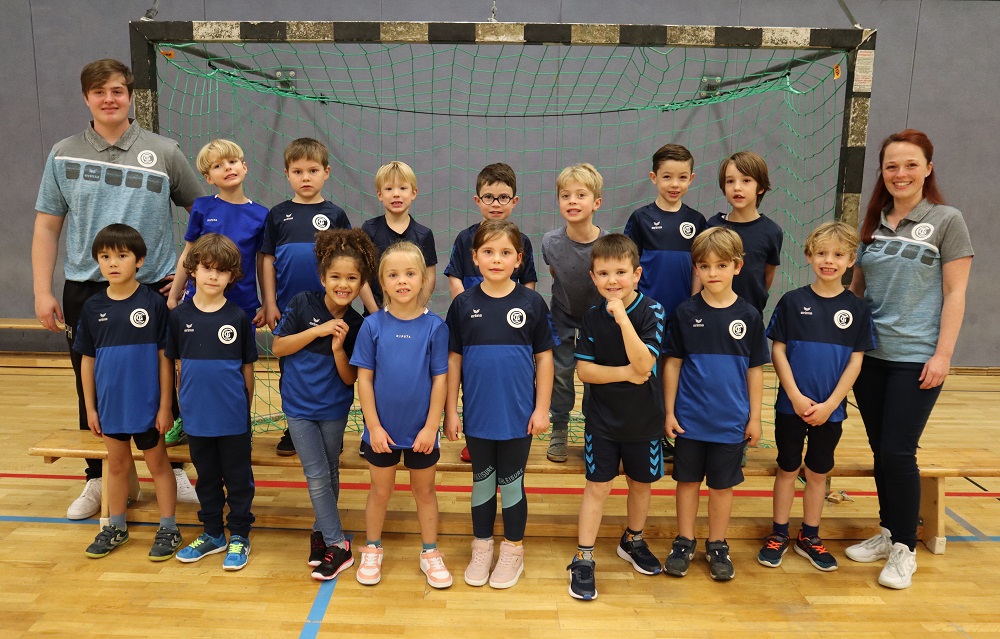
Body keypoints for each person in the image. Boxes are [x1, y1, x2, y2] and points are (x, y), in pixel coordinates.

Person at [32, 58, 203, 519]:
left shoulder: (164, 151)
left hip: (154, 289)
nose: (109, 99)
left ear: (130, 96)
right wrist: (43, 291)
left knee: (165, 379)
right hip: (88, 292)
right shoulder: (63, 153)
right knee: (91, 383)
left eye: (117, 91)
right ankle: (100, 477)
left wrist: (184, 274)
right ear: (86, 98)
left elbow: (203, 213)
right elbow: (47, 226)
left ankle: (174, 469)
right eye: (99, 91)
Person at [846, 129, 973, 590]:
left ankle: (905, 547)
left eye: (910, 165)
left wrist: (943, 355)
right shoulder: (873, 223)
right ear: (883, 172)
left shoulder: (946, 220)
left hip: (916, 358)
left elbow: (956, 293)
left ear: (928, 168)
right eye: (892, 166)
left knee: (899, 451)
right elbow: (857, 290)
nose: (900, 174)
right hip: (871, 356)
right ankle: (888, 531)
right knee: (882, 449)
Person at [758, 221, 875, 572]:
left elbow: (855, 362)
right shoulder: (793, 302)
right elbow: (778, 351)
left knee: (818, 473)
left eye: (838, 255)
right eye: (822, 253)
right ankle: (779, 533)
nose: (829, 261)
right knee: (787, 469)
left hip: (830, 411)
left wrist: (831, 404)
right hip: (790, 407)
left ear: (851, 260)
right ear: (809, 256)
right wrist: (794, 396)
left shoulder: (857, 309)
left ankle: (809, 536)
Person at [445, 219, 555, 590]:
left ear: (518, 259)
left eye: (505, 252)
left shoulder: (532, 303)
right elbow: (454, 361)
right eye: (488, 252)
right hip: (478, 415)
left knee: (511, 483)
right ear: (474, 258)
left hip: (518, 416)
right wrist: (450, 411)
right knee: (481, 482)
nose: (496, 259)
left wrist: (542, 408)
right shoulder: (463, 304)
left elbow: (544, 358)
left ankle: (513, 549)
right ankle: (482, 547)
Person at [663, 227, 768, 581]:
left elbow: (755, 371)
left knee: (722, 487)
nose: (713, 273)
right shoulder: (684, 312)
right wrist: (669, 411)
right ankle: (684, 541)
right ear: (696, 268)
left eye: (721, 265)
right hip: (690, 420)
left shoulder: (749, 316)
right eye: (705, 266)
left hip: (730, 422)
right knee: (687, 482)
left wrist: (755, 418)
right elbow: (673, 364)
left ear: (737, 266)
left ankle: (718, 544)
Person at [271, 229, 377, 581]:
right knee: (316, 474)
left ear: (361, 283)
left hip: (333, 407)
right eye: (336, 277)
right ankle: (337, 543)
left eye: (352, 278)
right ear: (323, 278)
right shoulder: (303, 303)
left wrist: (336, 348)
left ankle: (319, 532)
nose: (343, 284)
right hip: (298, 407)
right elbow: (278, 347)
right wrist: (317, 331)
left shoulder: (357, 324)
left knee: (330, 471)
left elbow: (349, 379)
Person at [566, 234, 665, 601]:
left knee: (641, 484)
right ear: (593, 277)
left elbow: (645, 363)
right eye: (604, 273)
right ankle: (583, 557)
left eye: (621, 272)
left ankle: (632, 540)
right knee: (598, 487)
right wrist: (625, 373)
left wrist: (623, 319)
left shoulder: (652, 311)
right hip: (602, 422)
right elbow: (585, 373)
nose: (612, 280)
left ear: (636, 274)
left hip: (644, 420)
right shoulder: (591, 317)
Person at [75, 224, 181, 560]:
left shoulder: (153, 303)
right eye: (105, 256)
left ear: (140, 260)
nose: (113, 263)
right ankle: (116, 527)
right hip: (111, 406)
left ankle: (169, 528)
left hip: (147, 406)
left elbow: (165, 359)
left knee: (158, 464)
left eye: (122, 255)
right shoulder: (92, 307)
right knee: (118, 466)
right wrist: (91, 408)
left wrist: (165, 406)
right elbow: (87, 362)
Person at [349, 241, 452, 588]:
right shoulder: (372, 326)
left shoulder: (435, 327)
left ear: (423, 279)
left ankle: (430, 552)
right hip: (382, 432)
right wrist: (374, 427)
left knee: (425, 491)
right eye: (393, 275)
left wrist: (431, 427)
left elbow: (440, 381)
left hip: (421, 431)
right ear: (382, 281)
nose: (402, 281)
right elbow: (364, 380)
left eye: (410, 274)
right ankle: (373, 548)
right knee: (380, 491)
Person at [163, 139, 267, 448]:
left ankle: (241, 422)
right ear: (209, 178)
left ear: (244, 167)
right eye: (218, 166)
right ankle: (188, 419)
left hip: (241, 305)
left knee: (238, 366)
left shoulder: (261, 215)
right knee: (188, 365)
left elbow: (262, 263)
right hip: (199, 304)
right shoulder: (203, 207)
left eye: (232, 162)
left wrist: (267, 303)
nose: (227, 168)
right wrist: (175, 295)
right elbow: (188, 254)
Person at [167, 234, 258, 571]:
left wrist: (245, 411)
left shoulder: (238, 317)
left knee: (238, 478)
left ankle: (239, 535)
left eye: (221, 270)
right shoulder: (179, 317)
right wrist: (179, 407)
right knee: (206, 478)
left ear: (232, 275)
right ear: (193, 270)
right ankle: (213, 533)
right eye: (207, 268)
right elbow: (175, 366)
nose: (213, 276)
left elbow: (247, 369)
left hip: (233, 417)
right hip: (197, 417)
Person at [261, 137, 352, 457]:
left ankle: (333, 425)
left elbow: (348, 261)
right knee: (291, 367)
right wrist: (269, 302)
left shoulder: (335, 214)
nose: (306, 177)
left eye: (313, 170)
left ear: (326, 172)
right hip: (290, 307)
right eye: (297, 171)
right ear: (287, 174)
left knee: (331, 364)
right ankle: (294, 426)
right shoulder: (278, 214)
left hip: (330, 307)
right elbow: (267, 260)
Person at [446, 163, 538, 463]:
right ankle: (476, 436)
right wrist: (467, 310)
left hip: (509, 326)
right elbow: (455, 277)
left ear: (514, 201)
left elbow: (529, 283)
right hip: (475, 325)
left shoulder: (521, 241)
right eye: (488, 197)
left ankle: (513, 434)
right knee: (473, 379)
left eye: (503, 197)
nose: (495, 203)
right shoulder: (465, 239)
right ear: (478, 200)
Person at [624, 144, 708, 463]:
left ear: (692, 179)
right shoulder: (641, 218)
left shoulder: (696, 220)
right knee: (648, 375)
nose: (675, 184)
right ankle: (647, 434)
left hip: (684, 314)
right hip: (648, 316)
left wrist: (695, 303)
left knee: (678, 374)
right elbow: (629, 265)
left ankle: (675, 431)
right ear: (654, 178)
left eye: (682, 177)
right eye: (667, 177)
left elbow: (700, 266)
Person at [543, 164, 608, 463]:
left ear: (596, 202)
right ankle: (559, 426)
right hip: (562, 316)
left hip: (599, 320)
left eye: (581, 195)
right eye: (565, 195)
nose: (572, 201)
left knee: (594, 375)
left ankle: (594, 429)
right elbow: (556, 273)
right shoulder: (550, 242)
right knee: (561, 373)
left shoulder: (607, 244)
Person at [705, 150, 783, 316]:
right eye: (730, 181)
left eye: (746, 180)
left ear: (761, 187)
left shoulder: (772, 231)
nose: (737, 187)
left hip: (749, 318)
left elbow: (767, 275)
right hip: (711, 314)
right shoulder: (712, 226)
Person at [358, 161, 437, 313]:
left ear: (413, 193)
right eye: (389, 189)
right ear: (379, 194)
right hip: (376, 314)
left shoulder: (424, 234)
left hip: (412, 316)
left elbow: (429, 277)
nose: (396, 194)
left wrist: (414, 311)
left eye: (402, 188)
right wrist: (376, 315)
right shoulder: (369, 229)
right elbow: (361, 276)